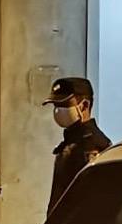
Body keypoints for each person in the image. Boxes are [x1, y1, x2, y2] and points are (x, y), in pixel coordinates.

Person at [43, 76, 111, 212]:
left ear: (84, 106)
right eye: (56, 106)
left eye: (64, 105)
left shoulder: (92, 146)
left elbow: (90, 201)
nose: (58, 111)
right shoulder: (71, 141)